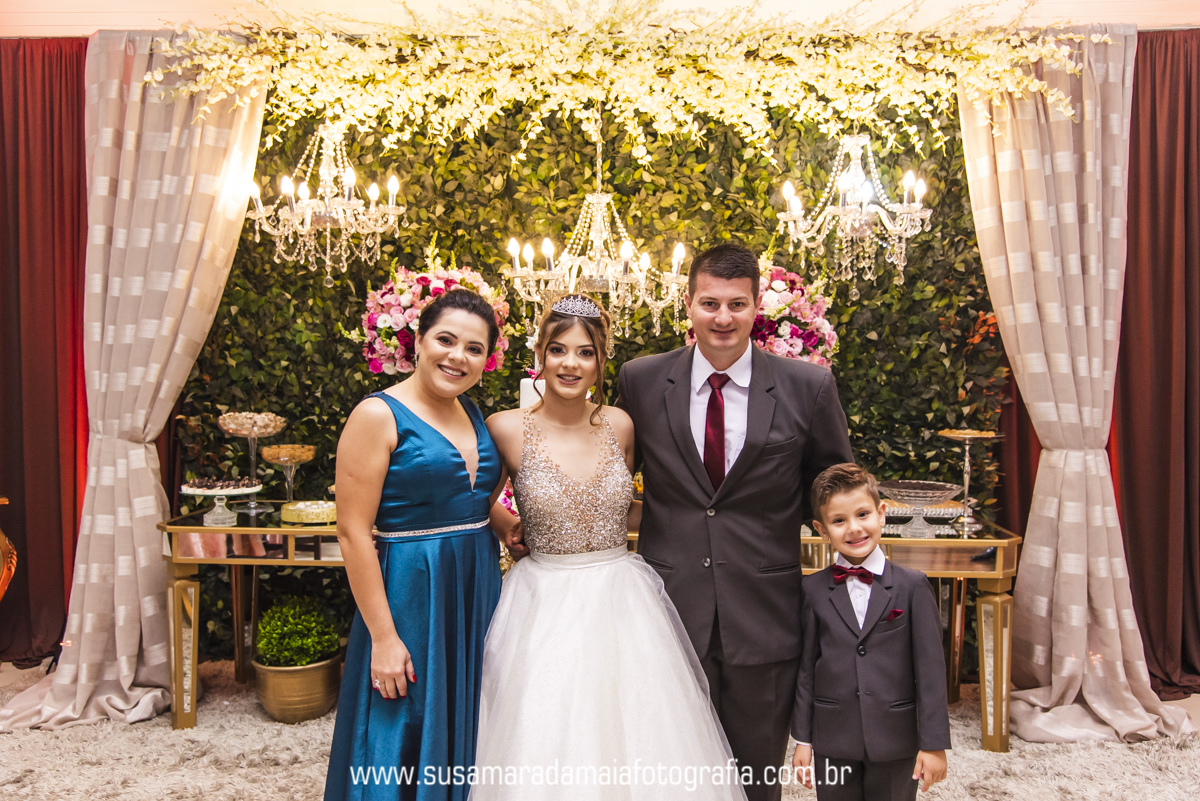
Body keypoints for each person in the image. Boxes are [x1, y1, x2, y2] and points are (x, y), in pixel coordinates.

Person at [472, 295, 746, 801]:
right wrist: (511, 526)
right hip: (541, 601)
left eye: (585, 352)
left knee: (639, 729)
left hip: (621, 597)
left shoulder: (620, 425)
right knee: (544, 726)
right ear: (540, 354)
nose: (570, 364)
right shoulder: (505, 427)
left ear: (601, 362)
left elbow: (629, 506)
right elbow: (477, 502)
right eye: (558, 350)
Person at [612, 242, 854, 801]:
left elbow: (833, 490)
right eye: (710, 303)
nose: (723, 318)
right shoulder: (641, 380)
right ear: (689, 305)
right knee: (669, 776)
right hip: (668, 608)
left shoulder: (807, 387)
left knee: (756, 776)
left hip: (764, 612)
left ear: (756, 307)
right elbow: (610, 475)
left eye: (737, 304)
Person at [325, 289, 511, 801]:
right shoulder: (377, 415)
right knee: (404, 717)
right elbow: (352, 532)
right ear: (419, 340)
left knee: (472, 714)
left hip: (475, 589)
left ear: (486, 360)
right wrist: (384, 639)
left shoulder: (471, 411)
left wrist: (503, 524)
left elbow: (469, 495)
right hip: (411, 594)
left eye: (474, 348)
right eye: (446, 340)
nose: (458, 356)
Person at [791, 463, 951, 800]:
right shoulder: (812, 589)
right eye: (839, 520)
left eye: (863, 514)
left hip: (896, 737)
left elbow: (931, 672)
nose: (854, 528)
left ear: (881, 514)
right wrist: (802, 738)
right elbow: (806, 669)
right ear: (821, 529)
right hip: (833, 736)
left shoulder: (912, 586)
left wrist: (934, 744)